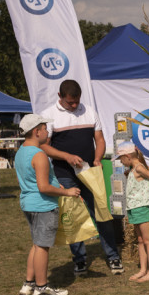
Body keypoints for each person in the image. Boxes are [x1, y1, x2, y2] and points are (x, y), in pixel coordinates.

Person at [40, 79, 123, 276]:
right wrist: (67, 157)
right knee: (73, 215)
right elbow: (44, 145)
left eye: (77, 101)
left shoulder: (90, 111)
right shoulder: (49, 115)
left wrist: (97, 158)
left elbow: (100, 140)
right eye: (70, 103)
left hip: (89, 171)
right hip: (64, 173)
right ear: (60, 97)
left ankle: (113, 256)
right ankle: (79, 260)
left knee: (101, 211)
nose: (75, 106)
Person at [13, 114, 81, 295]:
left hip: (28, 203)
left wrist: (54, 184)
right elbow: (43, 187)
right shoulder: (39, 155)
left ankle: (29, 283)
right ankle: (41, 287)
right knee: (43, 246)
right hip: (43, 205)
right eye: (44, 128)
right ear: (36, 132)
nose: (47, 131)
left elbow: (34, 180)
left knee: (36, 244)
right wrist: (67, 192)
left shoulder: (21, 152)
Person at [116, 141, 149, 282]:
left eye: (121, 159)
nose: (121, 162)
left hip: (142, 207)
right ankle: (143, 269)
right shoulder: (135, 168)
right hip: (134, 208)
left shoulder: (138, 168)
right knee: (140, 240)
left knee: (148, 240)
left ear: (127, 156)